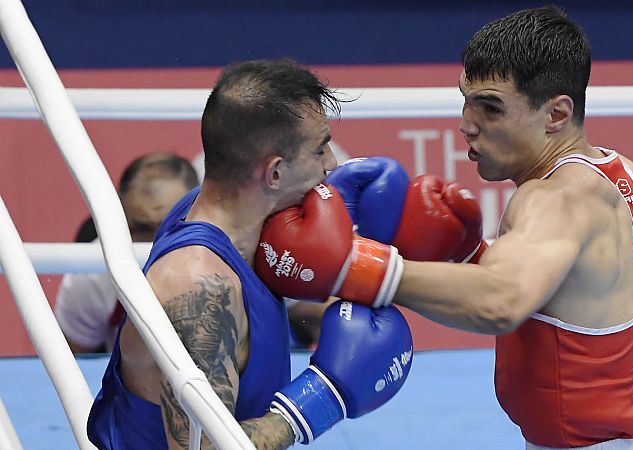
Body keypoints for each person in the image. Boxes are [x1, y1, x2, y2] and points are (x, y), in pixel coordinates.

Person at [259, 6, 633, 449]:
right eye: (466, 100)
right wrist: (468, 258)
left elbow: (501, 301)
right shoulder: (624, 174)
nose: (467, 125)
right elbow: (579, 297)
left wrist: (354, 267)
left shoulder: (554, 198)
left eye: (491, 107)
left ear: (556, 114)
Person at [87, 59, 413, 450]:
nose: (332, 164)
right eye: (320, 149)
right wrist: (317, 404)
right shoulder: (199, 287)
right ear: (274, 174)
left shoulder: (228, 213)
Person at [55, 152, 199, 353]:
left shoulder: (234, 258)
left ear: (199, 213)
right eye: (142, 229)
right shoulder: (91, 275)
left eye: (170, 227)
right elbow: (74, 366)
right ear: (119, 217)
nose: (155, 244)